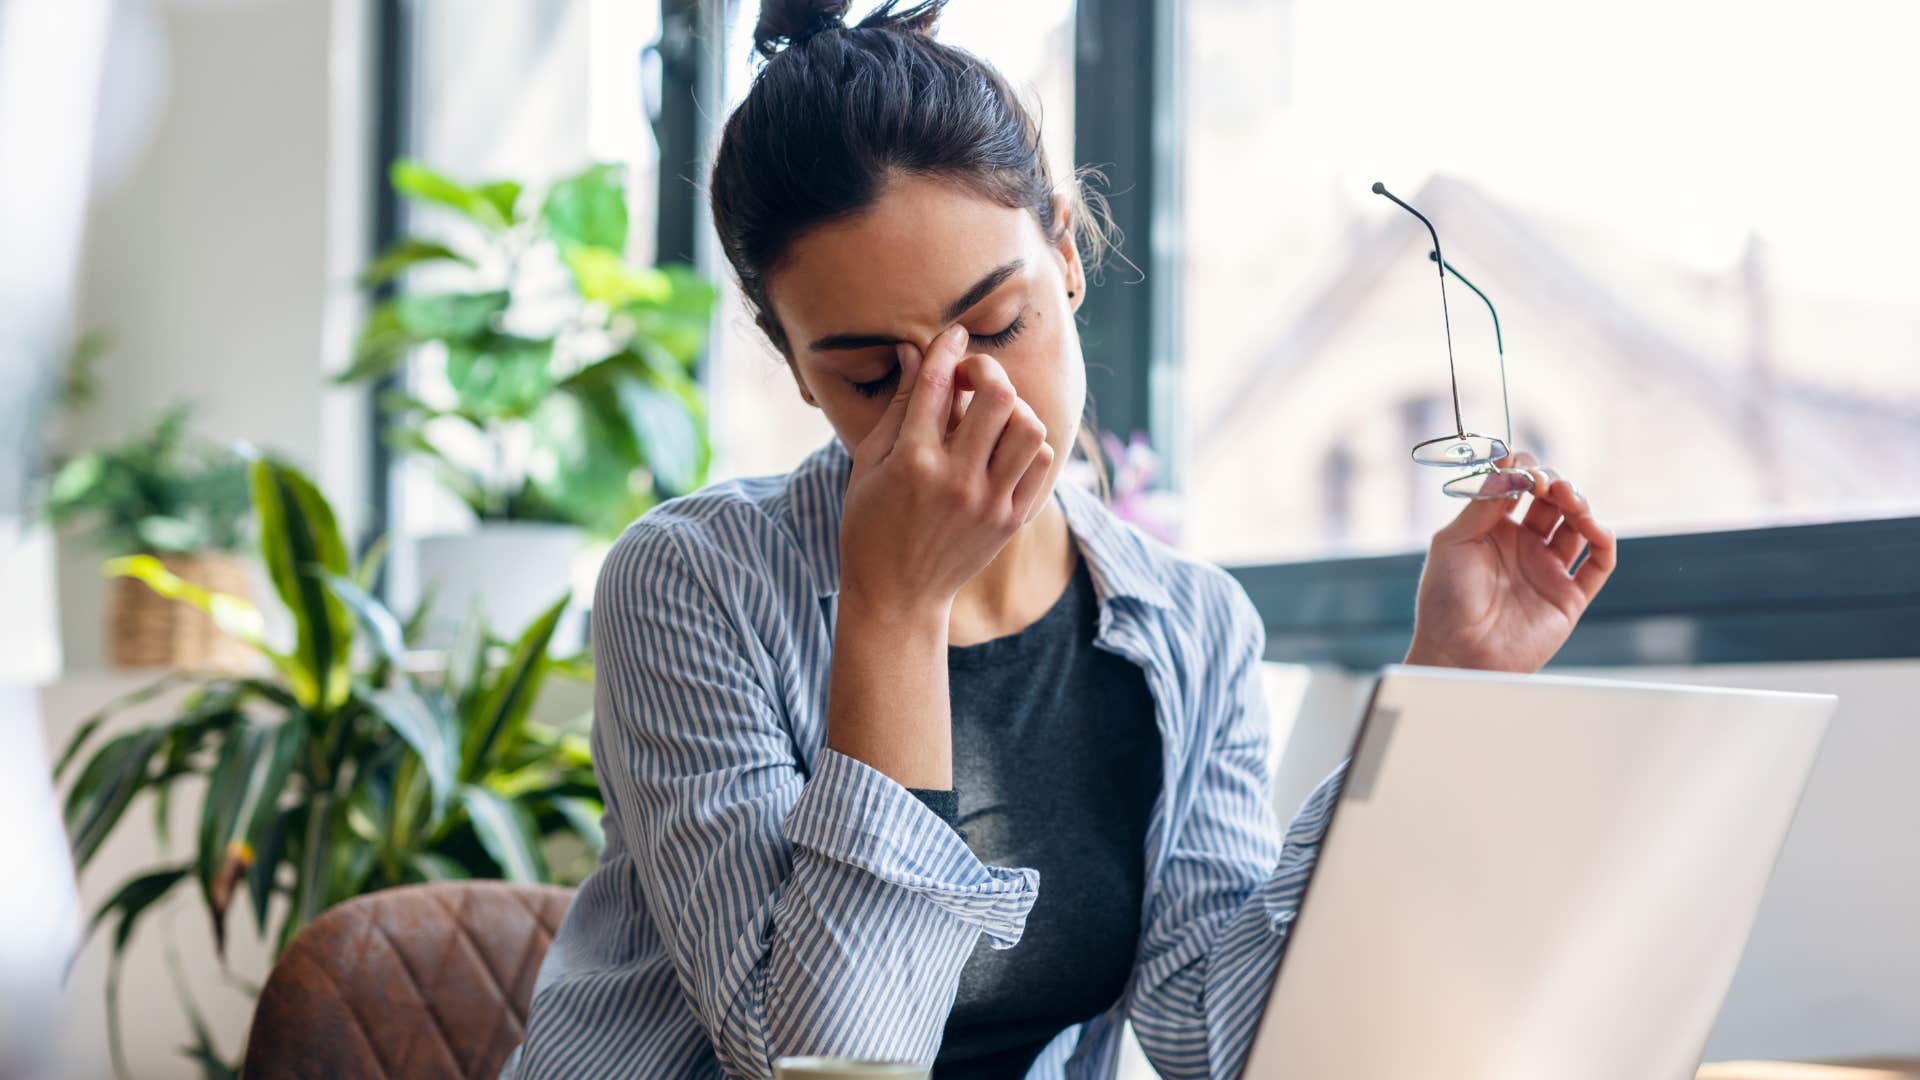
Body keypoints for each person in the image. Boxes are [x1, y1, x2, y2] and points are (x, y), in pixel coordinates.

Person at [506, 2, 1616, 1076]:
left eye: (996, 324)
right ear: (796, 365)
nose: (961, 399)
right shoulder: (692, 584)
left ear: (1068, 254)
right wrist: (894, 614)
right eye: (873, 374)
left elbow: (1218, 1037)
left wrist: (1446, 691)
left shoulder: (1192, 627)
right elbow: (826, 1069)